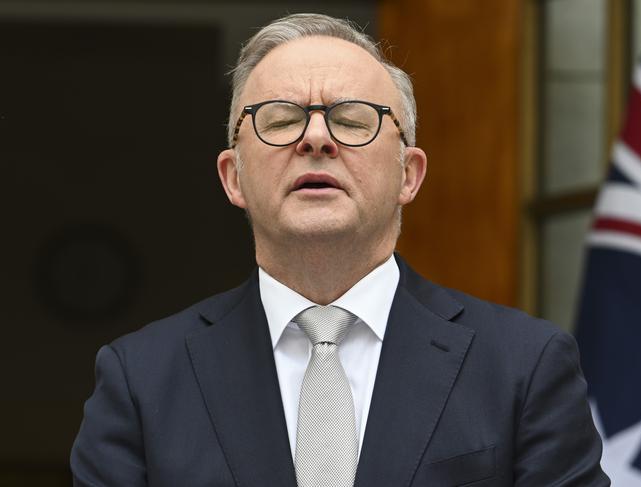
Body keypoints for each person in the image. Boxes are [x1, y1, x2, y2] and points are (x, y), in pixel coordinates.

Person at [71, 13, 610, 486]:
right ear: (233, 178)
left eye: (352, 120)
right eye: (280, 120)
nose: (316, 139)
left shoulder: (525, 366)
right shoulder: (140, 379)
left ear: (409, 174)